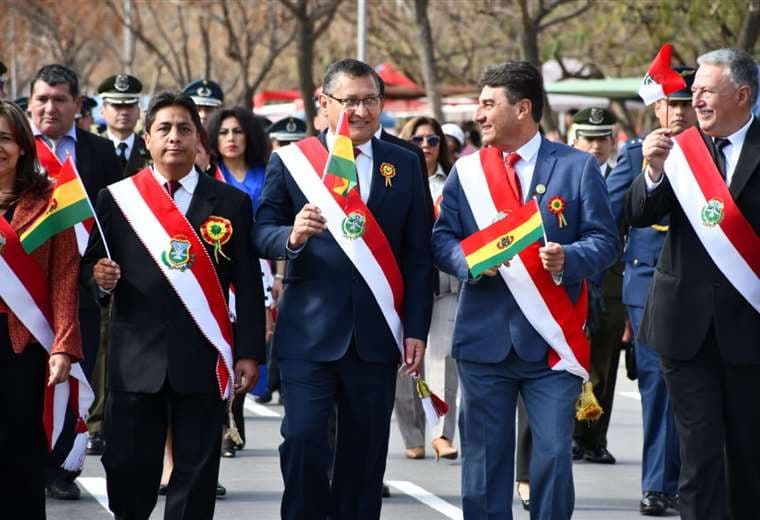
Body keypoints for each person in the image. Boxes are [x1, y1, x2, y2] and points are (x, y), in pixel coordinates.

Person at [432, 61, 619, 520]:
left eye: (488, 104)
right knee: (483, 463)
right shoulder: (467, 171)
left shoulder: (576, 167)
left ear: (523, 108)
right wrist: (470, 262)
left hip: (552, 346)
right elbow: (442, 238)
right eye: (479, 104)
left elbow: (605, 240)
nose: (479, 114)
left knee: (554, 456)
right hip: (483, 340)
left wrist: (568, 259)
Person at [253, 58, 433, 520]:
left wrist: (416, 329)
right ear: (324, 102)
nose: (360, 111)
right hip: (308, 334)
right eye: (349, 100)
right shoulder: (292, 161)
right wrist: (292, 236)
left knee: (365, 456)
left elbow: (417, 255)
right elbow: (262, 229)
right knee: (303, 440)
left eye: (370, 100)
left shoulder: (405, 163)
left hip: (375, 337)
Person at [81, 91, 265, 520]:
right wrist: (98, 278)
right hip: (134, 360)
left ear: (199, 139)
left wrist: (250, 352)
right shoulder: (119, 199)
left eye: (184, 129)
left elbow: (249, 285)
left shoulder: (230, 203)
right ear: (147, 138)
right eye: (163, 128)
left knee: (196, 476)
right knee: (127, 468)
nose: (174, 138)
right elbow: (90, 266)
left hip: (200, 357)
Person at [626, 48, 760, 520]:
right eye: (693, 91)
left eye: (705, 91)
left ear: (742, 95)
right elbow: (639, 212)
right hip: (684, 331)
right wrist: (653, 170)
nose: (694, 100)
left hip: (749, 327)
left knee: (748, 459)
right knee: (699, 459)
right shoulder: (680, 148)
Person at [29, 63, 122, 499]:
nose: (50, 108)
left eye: (60, 99)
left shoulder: (100, 154)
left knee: (72, 375)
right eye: (42, 99)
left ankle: (60, 466)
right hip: (20, 283)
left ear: (78, 105)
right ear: (29, 104)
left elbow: (113, 221)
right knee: (25, 378)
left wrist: (101, 273)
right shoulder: (14, 147)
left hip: (80, 283)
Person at [607, 67, 695, 516]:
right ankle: (659, 485)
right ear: (656, 107)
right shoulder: (636, 152)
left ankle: (693, 482)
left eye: (685, 104)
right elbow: (611, 217)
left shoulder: (712, 154)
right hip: (647, 288)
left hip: (701, 285)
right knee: (659, 387)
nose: (678, 113)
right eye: (671, 104)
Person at [0, 100, 82, 519]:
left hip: (25, 347)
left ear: (22, 146)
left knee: (20, 455)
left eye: (5, 139)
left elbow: (65, 277)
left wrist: (64, 346)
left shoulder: (49, 201)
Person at [392, 116, 459, 461]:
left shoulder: (453, 181)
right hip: (404, 281)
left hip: (445, 280)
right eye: (417, 140)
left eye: (433, 140)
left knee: (443, 356)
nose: (426, 147)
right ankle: (413, 435)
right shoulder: (394, 179)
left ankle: (441, 433)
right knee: (405, 361)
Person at [207, 105, 273, 456]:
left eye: (238, 132)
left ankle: (234, 423)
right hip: (218, 270)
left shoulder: (267, 173)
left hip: (262, 269)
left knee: (248, 346)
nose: (231, 139)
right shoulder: (207, 175)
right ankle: (221, 427)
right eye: (224, 132)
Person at [569, 107, 626, 465]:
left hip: (612, 285)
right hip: (574, 284)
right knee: (575, 365)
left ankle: (595, 438)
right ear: (574, 140)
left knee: (605, 367)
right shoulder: (564, 177)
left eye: (602, 139)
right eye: (588, 139)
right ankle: (573, 435)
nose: (594, 146)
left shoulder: (622, 178)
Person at [98, 73, 150, 178]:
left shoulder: (150, 150)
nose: (124, 112)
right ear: (102, 111)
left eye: (129, 106)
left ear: (138, 112)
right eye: (117, 106)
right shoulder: (90, 149)